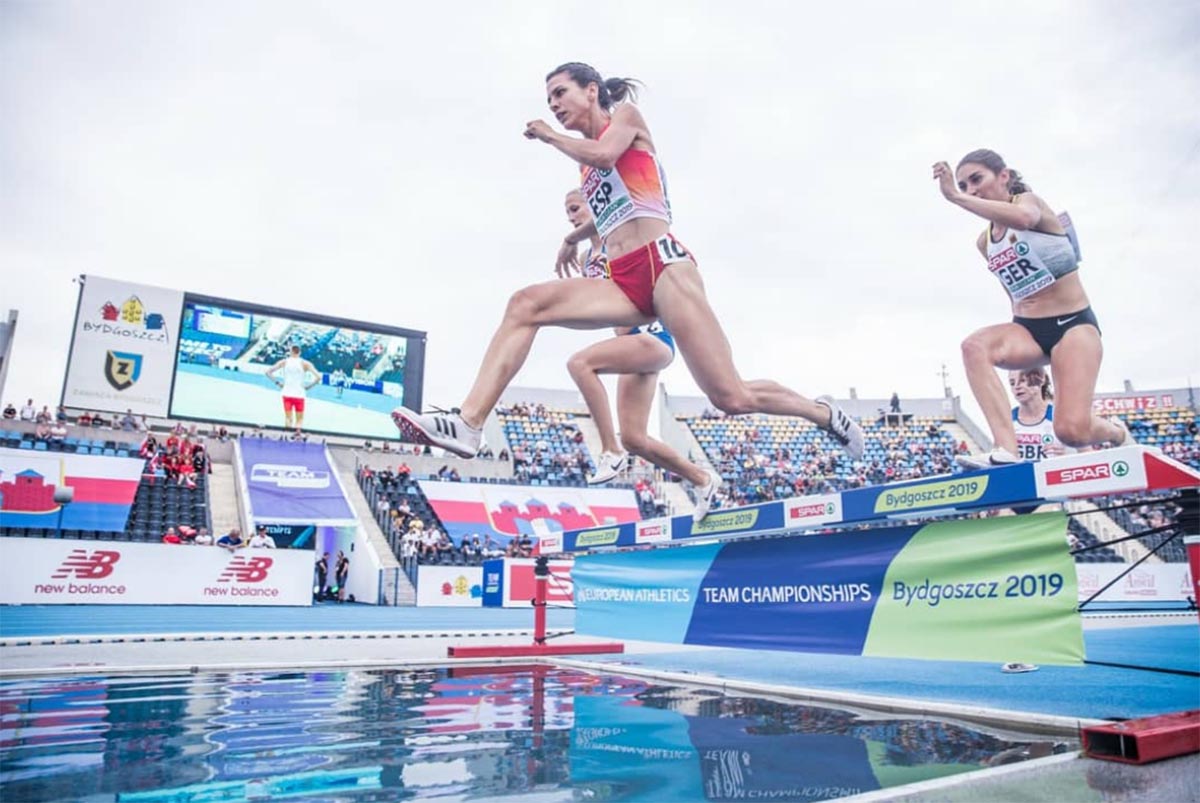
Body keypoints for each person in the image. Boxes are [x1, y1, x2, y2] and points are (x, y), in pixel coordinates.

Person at [391, 62, 864, 467]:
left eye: (561, 93)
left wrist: (550, 135)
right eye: (549, 99)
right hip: (622, 281)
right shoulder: (585, 167)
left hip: (665, 268)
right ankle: (469, 423)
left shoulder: (626, 120)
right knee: (525, 304)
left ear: (591, 91)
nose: (554, 104)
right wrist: (571, 239)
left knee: (731, 397)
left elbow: (604, 154)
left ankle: (822, 413)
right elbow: (612, 211)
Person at [933, 149, 1131, 468]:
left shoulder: (1030, 203)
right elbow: (1013, 291)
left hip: (1072, 327)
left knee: (1071, 431)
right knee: (974, 346)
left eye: (976, 180)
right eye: (964, 185)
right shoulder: (985, 243)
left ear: (1004, 176)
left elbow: (1024, 220)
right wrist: (1020, 356)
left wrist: (955, 197)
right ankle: (1005, 449)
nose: (971, 190)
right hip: (1029, 329)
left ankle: (1118, 434)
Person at [560, 187, 722, 520]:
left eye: (576, 208)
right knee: (635, 437)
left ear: (596, 206)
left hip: (651, 337)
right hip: (630, 346)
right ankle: (702, 479)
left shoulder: (617, 240)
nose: (571, 216)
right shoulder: (587, 259)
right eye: (567, 213)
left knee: (580, 364)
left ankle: (609, 449)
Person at [1009, 368, 1071, 462]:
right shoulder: (1006, 419)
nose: (1017, 387)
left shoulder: (1060, 416)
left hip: (1050, 474)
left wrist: (1068, 454)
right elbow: (996, 457)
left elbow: (1088, 455)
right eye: (1012, 383)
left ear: (1041, 380)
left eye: (1023, 381)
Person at [265, 344, 320, 434]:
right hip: (299, 394)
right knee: (299, 419)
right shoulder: (305, 363)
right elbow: (318, 377)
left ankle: (287, 436)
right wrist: (309, 386)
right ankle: (296, 437)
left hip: (287, 393)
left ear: (290, 351)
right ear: (300, 352)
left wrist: (278, 383)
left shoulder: (284, 362)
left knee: (288, 418)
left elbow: (268, 372)